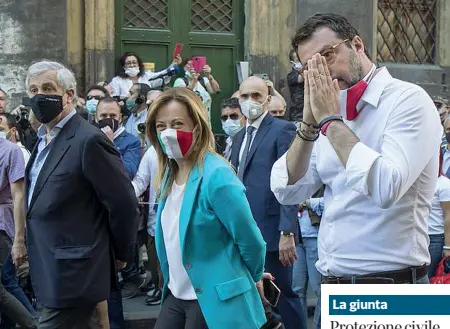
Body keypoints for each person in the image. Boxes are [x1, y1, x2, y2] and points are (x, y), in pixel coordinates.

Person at [271, 11, 440, 284]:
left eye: (327, 55)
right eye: (309, 67)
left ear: (357, 45)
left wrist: (331, 122)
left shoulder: (408, 100)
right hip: (334, 282)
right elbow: (286, 189)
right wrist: (308, 125)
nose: (321, 72)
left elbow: (386, 187)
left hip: (392, 285)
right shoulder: (331, 110)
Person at [25, 60, 140, 328]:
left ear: (69, 95)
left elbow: (123, 204)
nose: (39, 95)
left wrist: (121, 253)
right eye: (33, 89)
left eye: (47, 87)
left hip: (75, 273)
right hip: (47, 265)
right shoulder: (43, 139)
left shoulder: (89, 140)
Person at [146, 87, 267, 329]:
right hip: (175, 294)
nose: (169, 132)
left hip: (213, 299)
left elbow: (250, 239)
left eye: (178, 123)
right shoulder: (169, 174)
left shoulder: (217, 175)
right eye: (161, 126)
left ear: (197, 127)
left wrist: (249, 278)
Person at [230, 76, 302, 329]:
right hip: (244, 233)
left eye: (256, 96)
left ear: (268, 99)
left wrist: (287, 231)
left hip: (272, 232)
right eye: (245, 96)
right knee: (254, 298)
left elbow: (290, 182)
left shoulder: (282, 130)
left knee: (282, 296)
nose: (250, 101)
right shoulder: (239, 138)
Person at [0, 136, 36, 329]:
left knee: (6, 284)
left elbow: (19, 195)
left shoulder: (11, 151)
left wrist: (19, 240)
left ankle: (33, 324)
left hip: (2, 227)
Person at [131, 146, 162, 306]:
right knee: (154, 258)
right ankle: (159, 286)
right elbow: (141, 181)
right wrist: (125, 194)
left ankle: (164, 290)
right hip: (155, 219)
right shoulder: (152, 152)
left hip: (180, 219)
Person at [294, 196, 323, 329]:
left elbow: (332, 201)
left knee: (319, 289)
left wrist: (306, 203)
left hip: (316, 235)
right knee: (296, 290)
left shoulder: (322, 177)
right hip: (295, 238)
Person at [95, 97, 141, 179]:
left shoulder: (132, 142)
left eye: (113, 116)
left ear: (120, 118)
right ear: (96, 117)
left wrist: (110, 145)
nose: (108, 119)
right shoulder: (89, 137)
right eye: (103, 115)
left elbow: (128, 173)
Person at [110, 52, 181, 98]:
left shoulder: (146, 76)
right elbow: (113, 97)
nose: (132, 65)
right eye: (128, 63)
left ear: (139, 64)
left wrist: (174, 64)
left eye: (134, 62)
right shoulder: (117, 81)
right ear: (124, 66)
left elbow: (162, 75)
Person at [427, 152, 450, 278]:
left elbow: (448, 216)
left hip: (435, 238)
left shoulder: (444, 184)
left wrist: (448, 246)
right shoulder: (420, 182)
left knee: (428, 276)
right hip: (417, 237)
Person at [287, 50, 305, 122]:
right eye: (298, 60)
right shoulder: (291, 76)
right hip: (297, 116)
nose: (301, 62)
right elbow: (302, 78)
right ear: (292, 63)